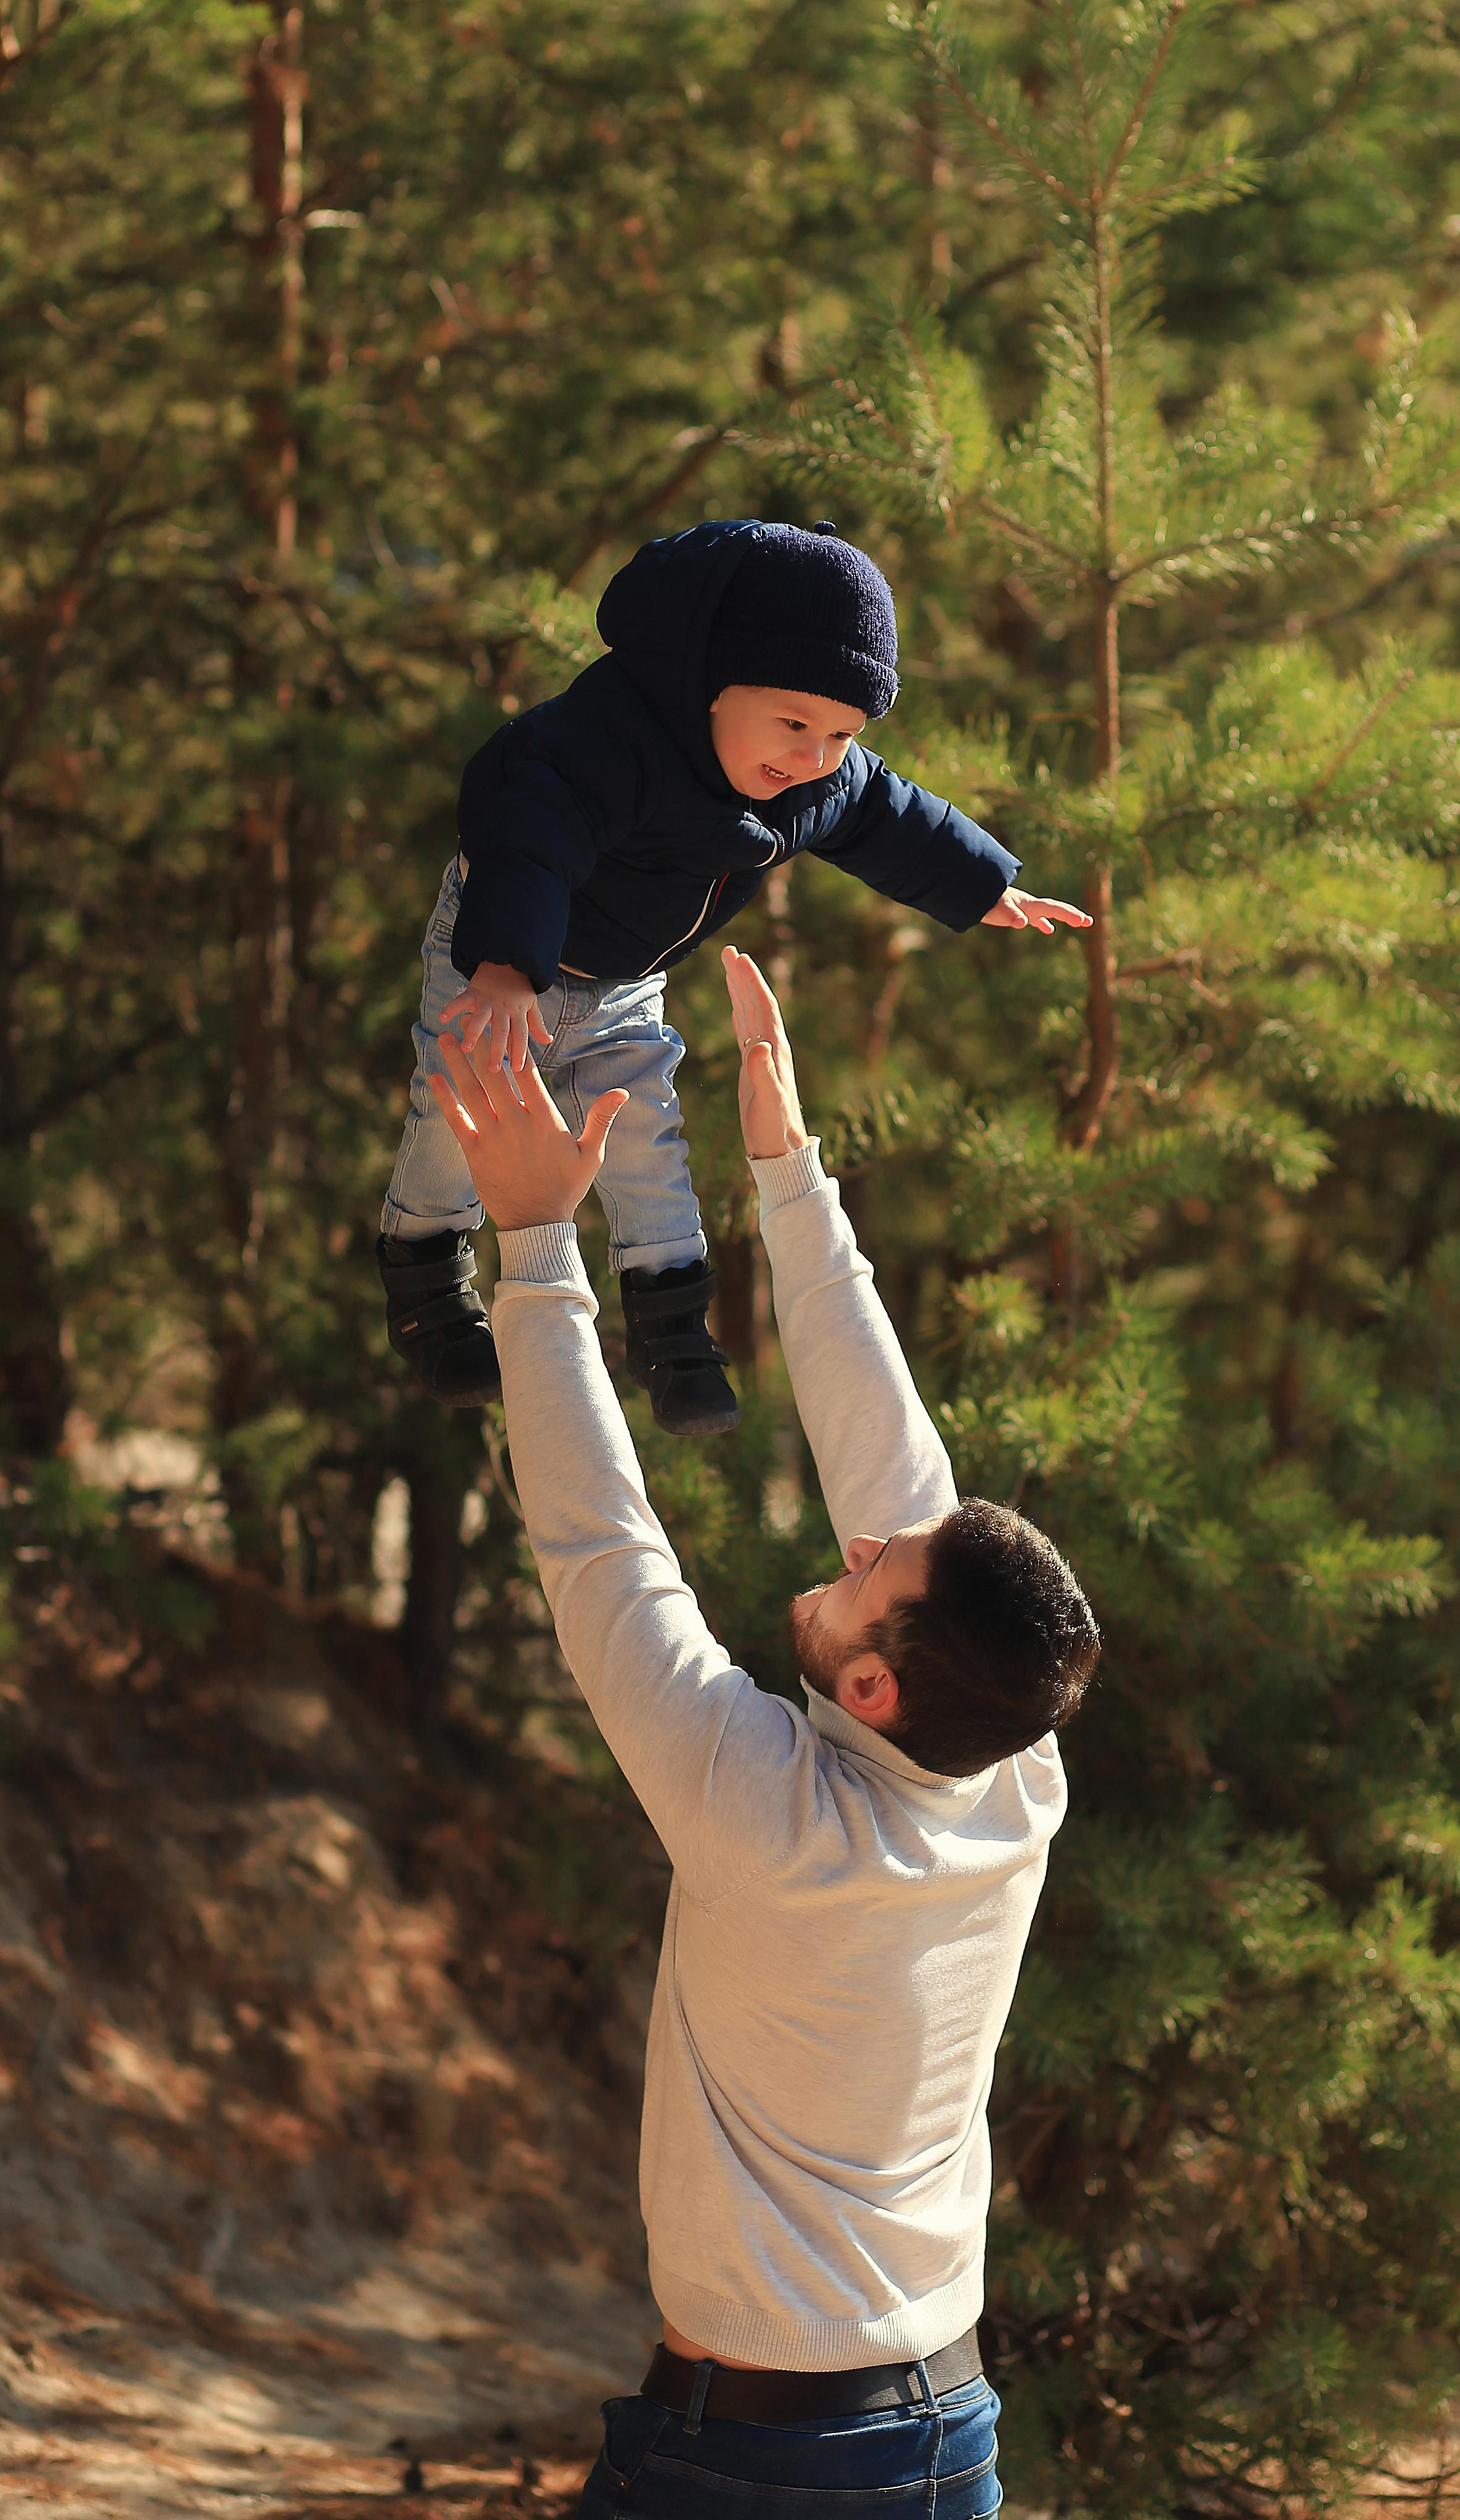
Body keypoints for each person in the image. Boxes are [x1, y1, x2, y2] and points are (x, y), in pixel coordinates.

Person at [428, 943, 1100, 2520]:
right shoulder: (1009, 1773)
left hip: (755, 2464)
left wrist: (533, 1242)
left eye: (882, 1579)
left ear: (872, 1689)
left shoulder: (769, 1816)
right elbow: (896, 1468)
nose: (867, 1542)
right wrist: (789, 1173)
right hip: (946, 2430)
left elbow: (603, 1550)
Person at [378, 518, 1089, 1434]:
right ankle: (427, 1282)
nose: (812, 756)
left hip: (627, 981)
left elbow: (889, 812)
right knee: (460, 1113)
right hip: (503, 951)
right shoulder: (609, 738)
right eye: (793, 724)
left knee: (644, 1142)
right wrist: (509, 966)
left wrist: (983, 884)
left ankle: (674, 1335)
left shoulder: (816, 780)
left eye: (841, 733)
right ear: (708, 681)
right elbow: (531, 840)